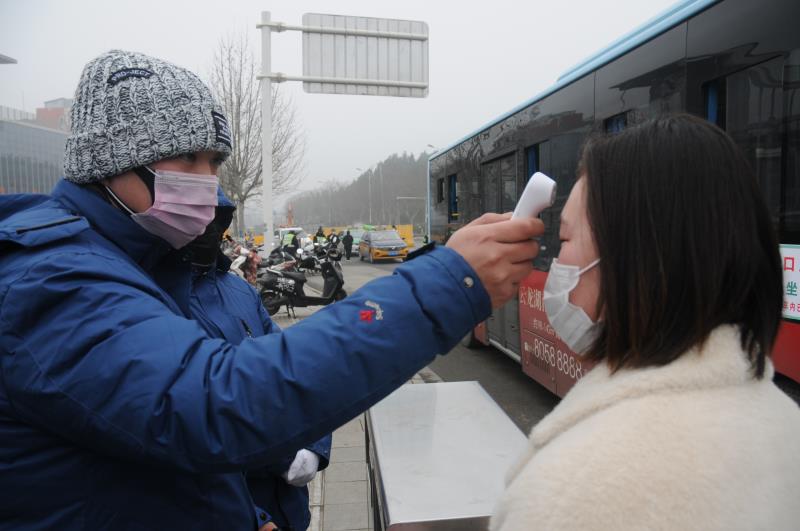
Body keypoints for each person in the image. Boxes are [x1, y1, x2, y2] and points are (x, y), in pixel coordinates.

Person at [0, 50, 542, 529]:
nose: (207, 181)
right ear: (110, 162)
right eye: (188, 158)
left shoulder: (152, 265)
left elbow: (154, 450)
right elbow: (214, 404)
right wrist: (443, 286)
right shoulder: (49, 279)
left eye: (214, 162)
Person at [490, 114, 800, 531]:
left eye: (563, 240)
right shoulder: (785, 424)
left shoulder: (573, 491)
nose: (554, 261)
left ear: (635, 262)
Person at [187, 191, 331, 530]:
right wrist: (284, 456)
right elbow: (199, 420)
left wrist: (315, 444)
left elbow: (294, 368)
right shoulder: (156, 298)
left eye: (215, 217)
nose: (207, 226)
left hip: (289, 508)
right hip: (239, 510)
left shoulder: (238, 290)